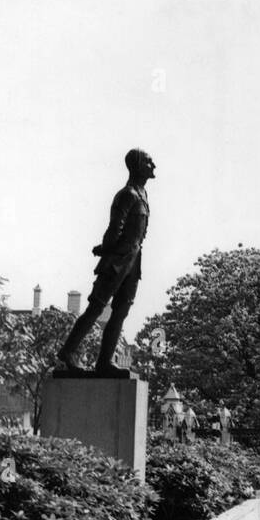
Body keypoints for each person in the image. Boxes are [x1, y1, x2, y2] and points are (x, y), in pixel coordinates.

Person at [55, 148, 155, 375]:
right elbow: (114, 229)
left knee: (120, 312)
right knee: (96, 307)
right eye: (149, 162)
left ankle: (104, 362)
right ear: (137, 165)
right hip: (117, 261)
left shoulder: (143, 196)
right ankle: (67, 353)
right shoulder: (127, 195)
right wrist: (105, 249)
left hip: (133, 262)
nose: (153, 166)